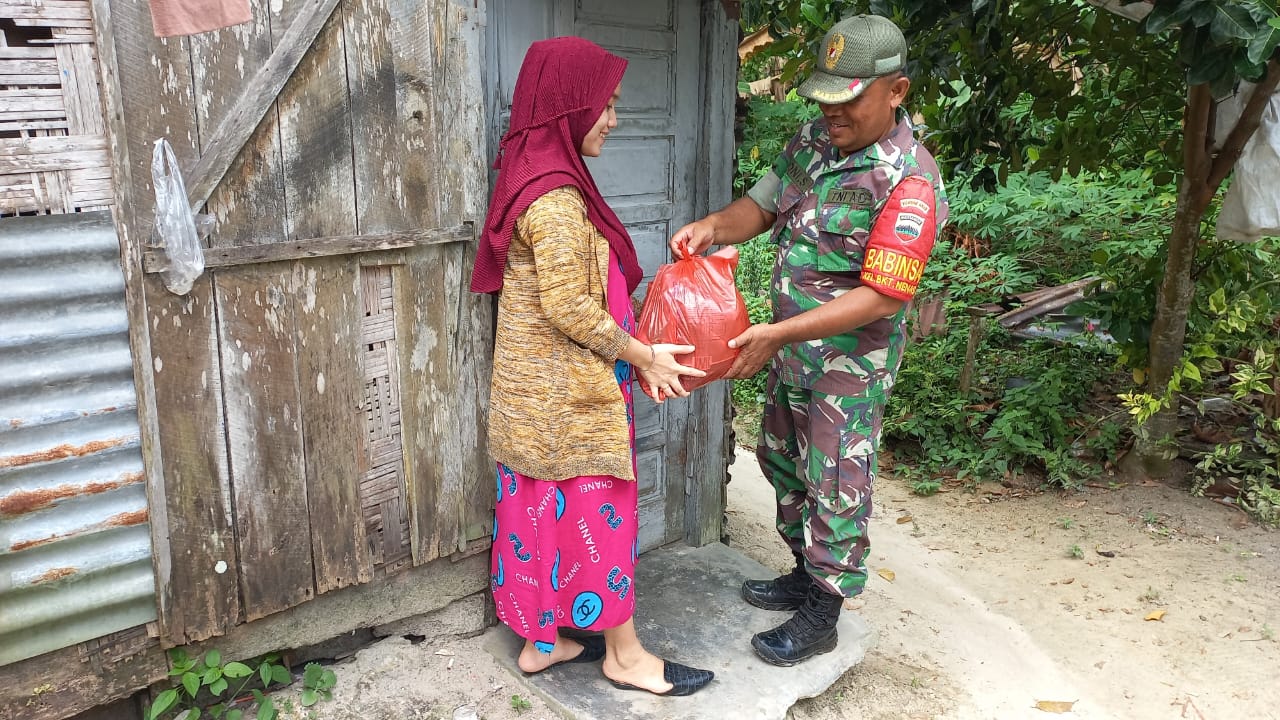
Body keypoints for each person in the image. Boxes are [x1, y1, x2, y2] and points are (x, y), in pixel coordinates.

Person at [670, 14, 948, 667]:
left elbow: (882, 293)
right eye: (824, 96)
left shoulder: (908, 179)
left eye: (847, 97)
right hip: (789, 349)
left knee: (836, 481)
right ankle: (803, 570)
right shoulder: (812, 144)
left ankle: (824, 609)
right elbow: (764, 206)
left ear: (896, 91)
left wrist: (779, 332)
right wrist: (715, 226)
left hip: (849, 365)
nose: (831, 111)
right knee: (782, 461)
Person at [471, 36, 715, 696]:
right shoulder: (553, 199)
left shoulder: (538, 177)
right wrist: (643, 354)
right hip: (565, 407)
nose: (614, 118)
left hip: (539, 404)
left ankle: (540, 645)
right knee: (597, 526)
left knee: (541, 524)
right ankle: (624, 656)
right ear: (568, 108)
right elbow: (570, 307)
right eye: (604, 105)